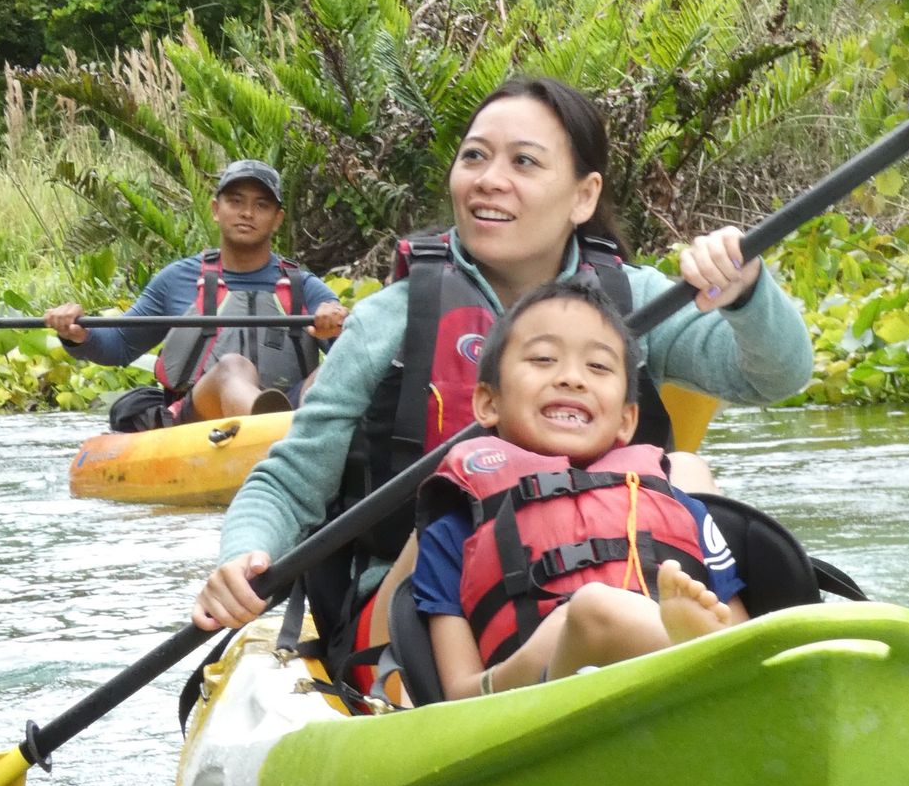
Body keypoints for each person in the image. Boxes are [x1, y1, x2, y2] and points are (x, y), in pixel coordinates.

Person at [192, 75, 815, 667]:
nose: (489, 181)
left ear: (584, 195)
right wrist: (243, 556)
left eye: (523, 162)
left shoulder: (636, 304)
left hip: (625, 579)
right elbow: (291, 482)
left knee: (684, 471)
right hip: (435, 611)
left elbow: (774, 375)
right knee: (444, 508)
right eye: (474, 158)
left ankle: (701, 646)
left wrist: (746, 292)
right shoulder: (391, 321)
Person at [412, 282, 747, 698]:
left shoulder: (683, 508)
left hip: (688, 695)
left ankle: (683, 648)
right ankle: (683, 646)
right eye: (543, 359)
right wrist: (549, 645)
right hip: (538, 707)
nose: (571, 379)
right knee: (594, 610)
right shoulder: (452, 533)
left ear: (627, 421)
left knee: (607, 610)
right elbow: (459, 696)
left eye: (599, 367)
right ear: (488, 403)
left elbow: (741, 625)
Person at [45, 159, 347, 432]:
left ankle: (287, 435)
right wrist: (78, 335)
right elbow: (120, 344)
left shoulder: (303, 286)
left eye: (261, 205)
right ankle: (275, 436)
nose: (246, 213)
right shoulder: (177, 280)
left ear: (277, 218)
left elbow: (354, 351)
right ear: (216, 209)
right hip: (200, 418)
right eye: (236, 201)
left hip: (288, 411)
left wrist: (338, 328)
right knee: (233, 367)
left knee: (333, 371)